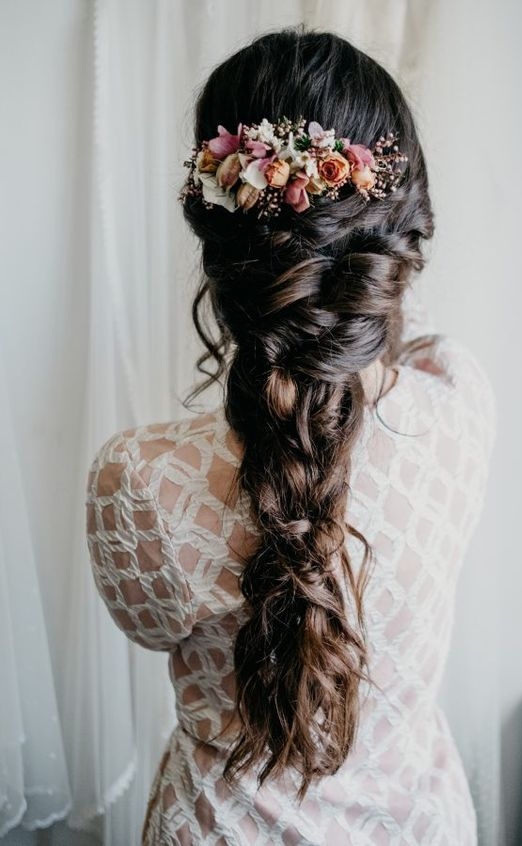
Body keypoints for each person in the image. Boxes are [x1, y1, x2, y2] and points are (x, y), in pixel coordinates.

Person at [84, 24, 497, 846]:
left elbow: (145, 626)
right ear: (403, 231)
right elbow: (399, 353)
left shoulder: (143, 481)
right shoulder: (460, 400)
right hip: (419, 827)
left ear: (219, 236)